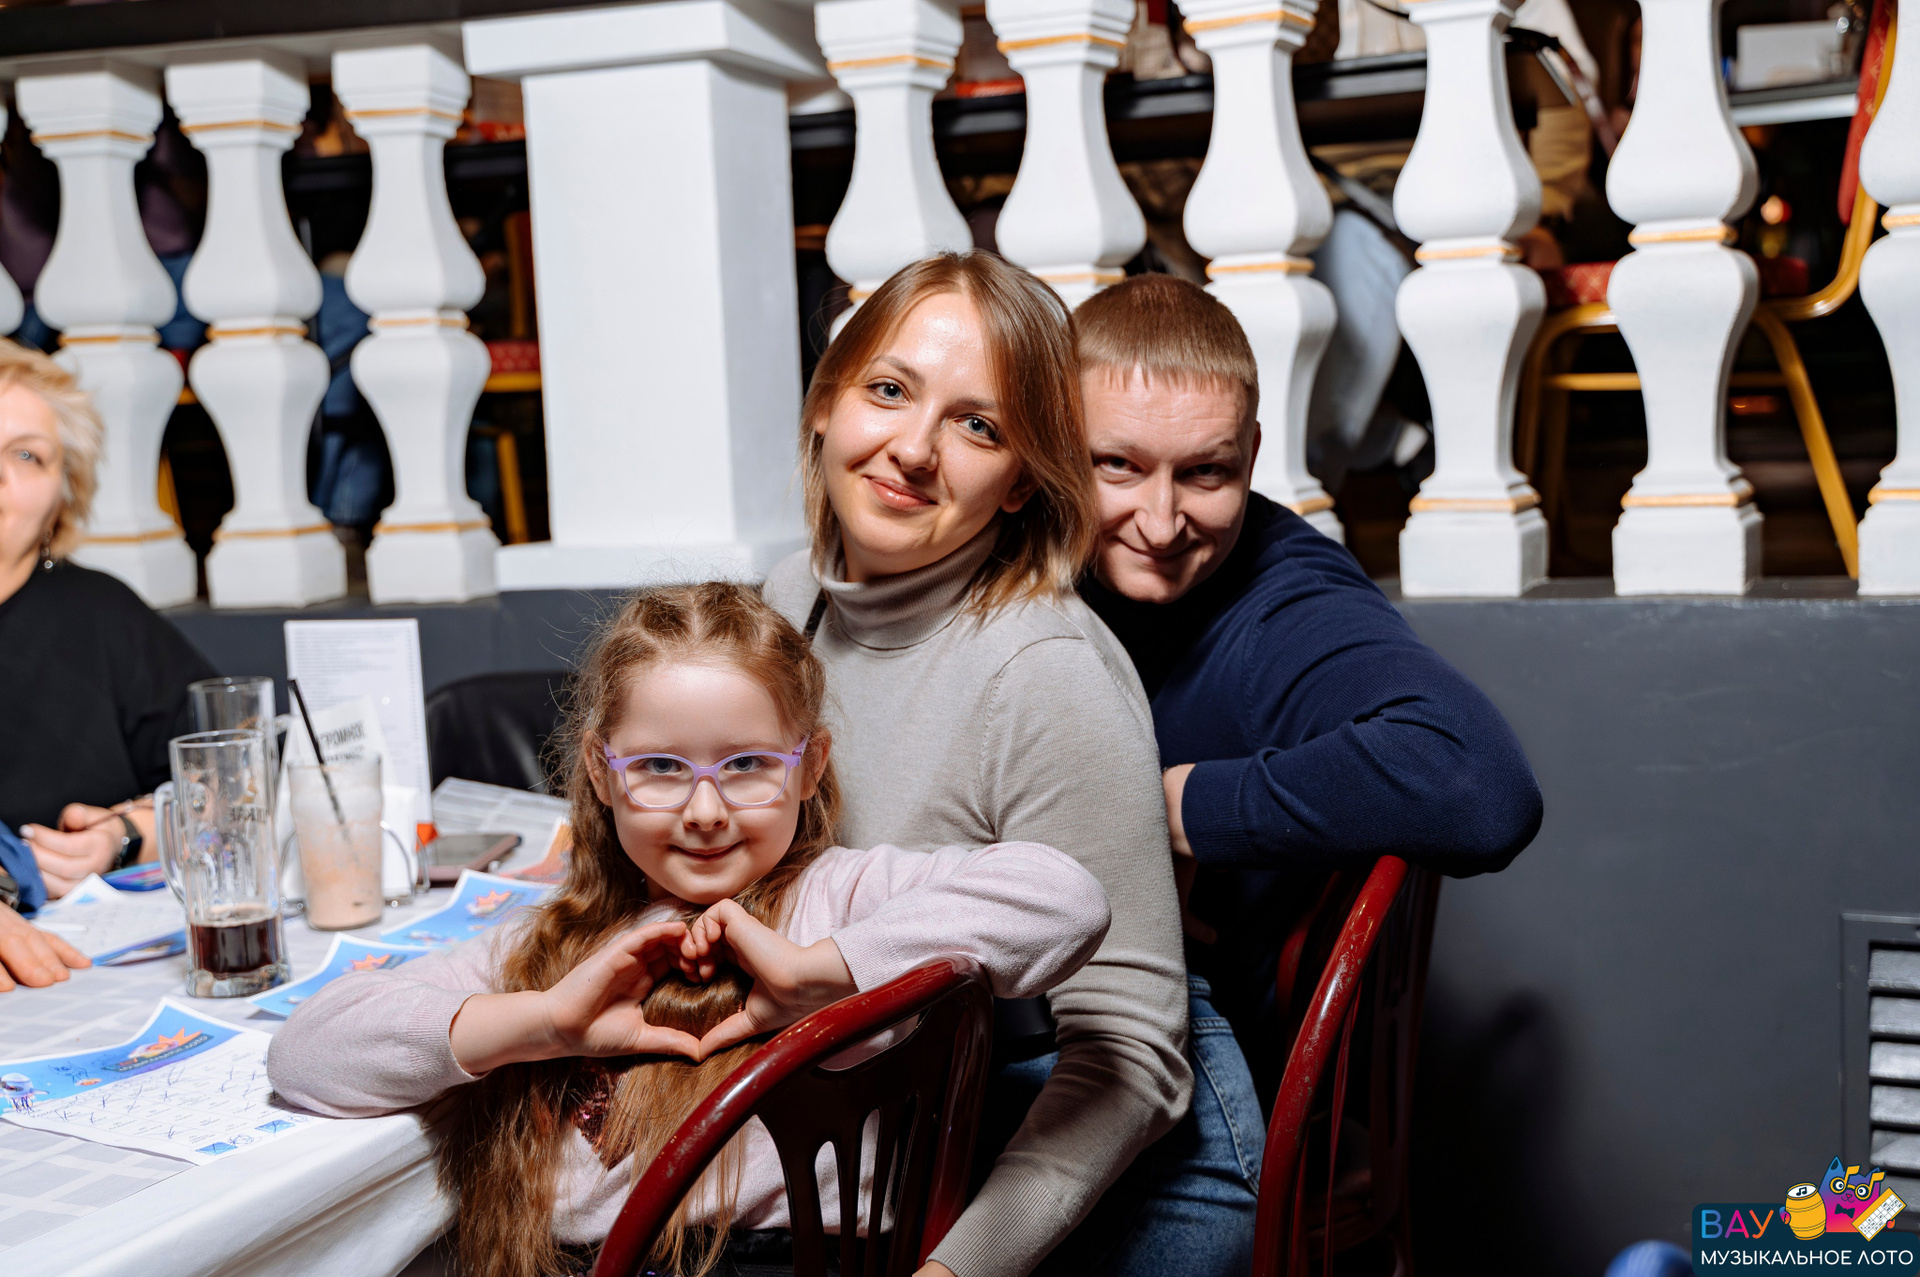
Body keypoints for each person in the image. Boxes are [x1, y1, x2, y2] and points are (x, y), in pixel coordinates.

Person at [266, 583, 1112, 1277]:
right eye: (661, 768)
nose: (705, 810)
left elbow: (1063, 894)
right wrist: (547, 1021)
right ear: (602, 771)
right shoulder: (557, 939)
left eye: (747, 765)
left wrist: (819, 971)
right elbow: (305, 1051)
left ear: (810, 766)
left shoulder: (839, 897)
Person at [761, 251, 1191, 1277]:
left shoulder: (1045, 672)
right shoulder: (787, 598)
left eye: (979, 426)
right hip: (816, 1137)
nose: (913, 449)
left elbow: (1131, 1055)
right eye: (889, 390)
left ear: (1021, 482)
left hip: (984, 1166)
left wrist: (957, 1272)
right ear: (825, 405)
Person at [1075, 272, 1542, 1103]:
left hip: (1199, 1095)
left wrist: (1172, 807)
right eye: (1118, 464)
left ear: (1252, 457)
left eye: (1206, 473)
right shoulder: (1025, 566)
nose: (1161, 519)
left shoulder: (1281, 602)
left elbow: (1481, 787)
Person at [0, 339, 216, 991]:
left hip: (81, 975)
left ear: (61, 500)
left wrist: (123, 836)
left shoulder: (100, 614)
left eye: (27, 455)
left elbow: (230, 777)